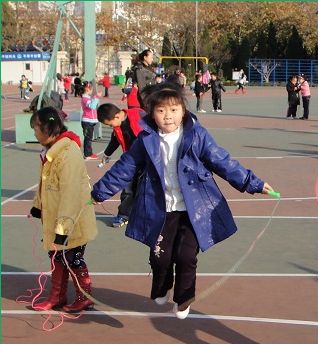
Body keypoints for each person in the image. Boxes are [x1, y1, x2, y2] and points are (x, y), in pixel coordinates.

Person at [91, 84, 275, 319]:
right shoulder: (145, 140)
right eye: (160, 111)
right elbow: (124, 168)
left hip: (193, 209)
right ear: (151, 114)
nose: (168, 116)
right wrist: (98, 192)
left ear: (183, 112)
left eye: (174, 110)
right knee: (159, 257)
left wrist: (254, 183)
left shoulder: (197, 136)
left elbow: (222, 161)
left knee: (186, 256)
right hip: (160, 208)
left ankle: (184, 297)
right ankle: (161, 287)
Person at [29, 107, 98, 313]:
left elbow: (70, 194)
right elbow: (45, 185)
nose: (34, 133)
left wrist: (62, 229)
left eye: (36, 128)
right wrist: (37, 206)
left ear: (49, 128)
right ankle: (57, 296)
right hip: (56, 219)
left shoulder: (67, 154)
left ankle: (83, 296)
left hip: (71, 222)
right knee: (56, 257)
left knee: (72, 258)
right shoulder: (51, 152)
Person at [97, 103, 145, 228]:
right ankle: (124, 215)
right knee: (128, 189)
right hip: (130, 162)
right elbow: (115, 140)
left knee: (146, 189)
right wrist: (107, 154)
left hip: (147, 160)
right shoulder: (118, 126)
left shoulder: (138, 116)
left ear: (117, 116)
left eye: (110, 124)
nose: (110, 126)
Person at [80, 81, 100, 159]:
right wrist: (96, 97)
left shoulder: (88, 98)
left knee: (89, 138)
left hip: (91, 121)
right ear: (87, 89)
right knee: (88, 139)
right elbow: (92, 106)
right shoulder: (85, 98)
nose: (92, 91)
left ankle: (89, 153)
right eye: (91, 89)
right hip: (87, 121)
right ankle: (87, 154)